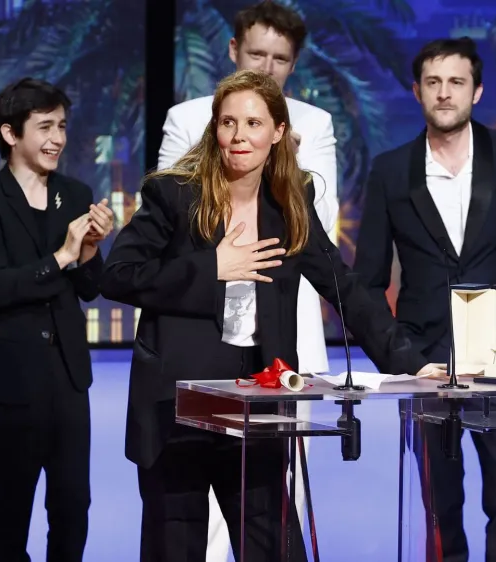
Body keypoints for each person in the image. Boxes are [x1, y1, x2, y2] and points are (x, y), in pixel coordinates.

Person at [100, 68, 444, 562]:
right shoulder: (175, 193)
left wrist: (409, 361)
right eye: (228, 123)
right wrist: (212, 267)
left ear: (278, 131)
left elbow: (344, 287)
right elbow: (119, 275)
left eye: (254, 124)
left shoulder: (290, 200)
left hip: (257, 411)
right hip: (178, 409)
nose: (239, 136)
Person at [354, 37, 496, 562]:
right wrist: (401, 359)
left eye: (456, 82)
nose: (444, 94)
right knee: (439, 504)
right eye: (433, 82)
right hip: (426, 363)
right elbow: (367, 282)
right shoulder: (390, 171)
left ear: (477, 90)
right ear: (417, 90)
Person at [157, 3, 335, 556]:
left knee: (270, 512)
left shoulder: (313, 125)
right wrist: (240, 147)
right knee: (194, 519)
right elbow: (166, 219)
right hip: (196, 353)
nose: (268, 67)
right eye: (257, 53)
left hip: (274, 346)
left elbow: (321, 244)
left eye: (280, 59)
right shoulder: (190, 119)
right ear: (233, 50)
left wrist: (286, 168)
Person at [0, 78, 114, 562]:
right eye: (44, 126)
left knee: (73, 507)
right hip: (9, 379)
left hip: (68, 379)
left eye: (62, 126)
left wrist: (89, 253)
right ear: (10, 133)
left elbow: (89, 288)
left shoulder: (75, 192)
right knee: (11, 512)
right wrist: (63, 256)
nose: (57, 138)